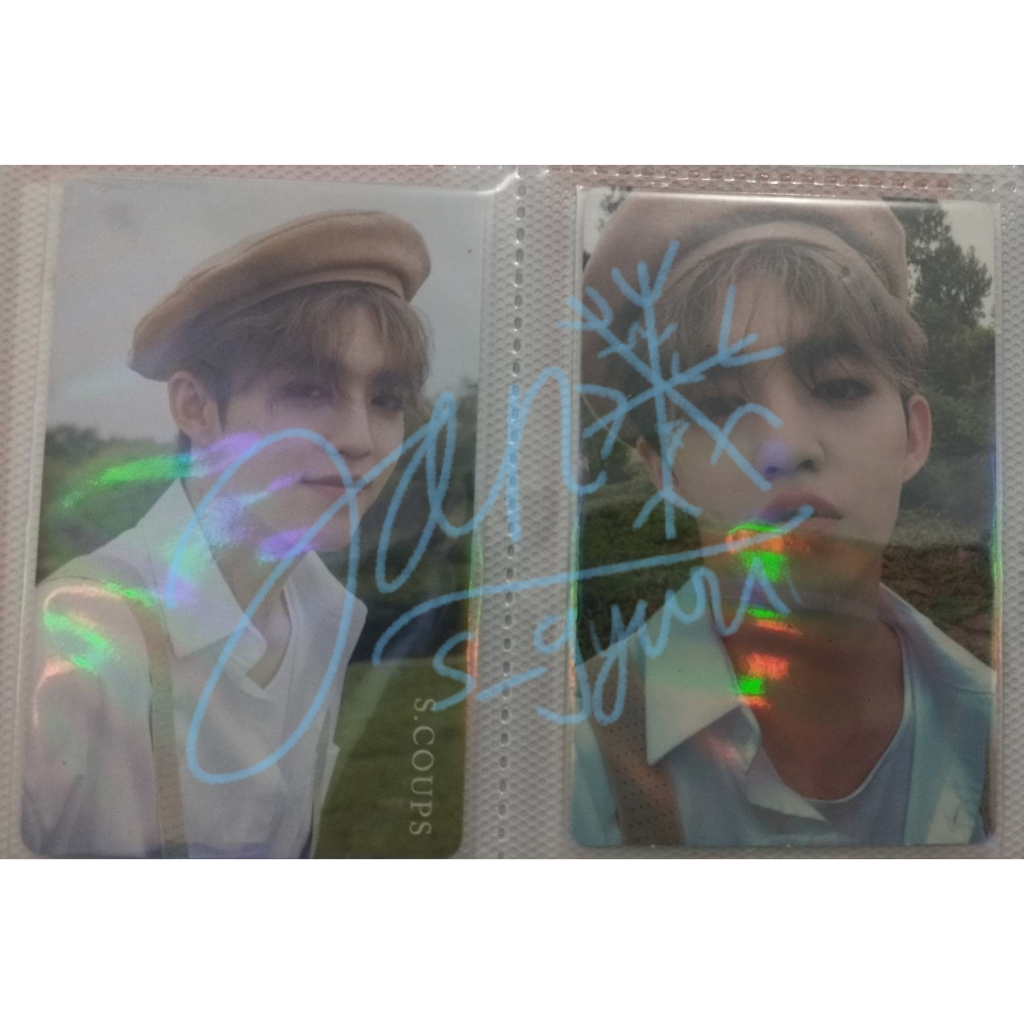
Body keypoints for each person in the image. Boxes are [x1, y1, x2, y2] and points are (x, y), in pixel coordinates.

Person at [573, 193, 995, 847]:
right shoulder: (568, 749)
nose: (785, 446)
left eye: (839, 387)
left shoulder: (1000, 727)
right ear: (662, 467)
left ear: (914, 437)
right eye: (718, 405)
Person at [22, 210, 432, 857]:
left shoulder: (325, 617)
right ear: (196, 407)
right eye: (308, 391)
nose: (360, 439)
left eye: (386, 400)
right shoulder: (66, 641)